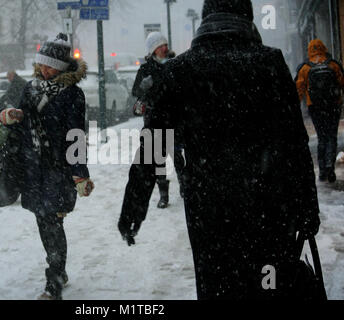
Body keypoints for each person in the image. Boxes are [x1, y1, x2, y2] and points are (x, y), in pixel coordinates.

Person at [119, 0, 321, 299]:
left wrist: (133, 207)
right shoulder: (269, 62)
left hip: (209, 210)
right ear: (248, 19)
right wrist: (307, 208)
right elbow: (294, 142)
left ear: (205, 19)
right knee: (270, 286)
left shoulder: (178, 70)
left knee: (218, 288)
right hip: (270, 205)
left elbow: (153, 145)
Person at [0, 33, 94, 300]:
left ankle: (53, 281)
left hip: (58, 168)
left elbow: (77, 134)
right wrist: (8, 116)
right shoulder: (31, 89)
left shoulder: (73, 94)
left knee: (52, 222)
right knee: (44, 222)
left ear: (62, 67)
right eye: (42, 64)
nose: (44, 69)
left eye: (50, 65)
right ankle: (58, 269)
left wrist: (79, 173)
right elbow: (19, 120)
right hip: (33, 168)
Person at [118, 32, 186, 245]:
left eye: (165, 44)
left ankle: (185, 186)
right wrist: (144, 87)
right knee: (157, 165)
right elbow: (136, 92)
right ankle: (163, 195)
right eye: (160, 46)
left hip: (175, 123)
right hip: (155, 124)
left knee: (178, 158)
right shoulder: (146, 69)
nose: (164, 48)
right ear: (152, 50)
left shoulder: (175, 64)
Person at [296, 39, 344, 183]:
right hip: (333, 106)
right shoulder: (333, 64)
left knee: (322, 137)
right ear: (323, 48)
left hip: (315, 107)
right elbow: (342, 82)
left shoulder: (305, 67)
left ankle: (322, 170)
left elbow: (299, 89)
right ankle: (330, 165)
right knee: (332, 136)